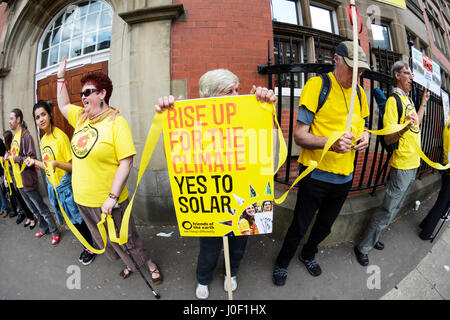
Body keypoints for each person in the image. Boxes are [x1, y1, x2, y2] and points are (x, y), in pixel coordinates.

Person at [155, 68, 277, 299]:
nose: (237, 94)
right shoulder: (194, 123)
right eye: (229, 91)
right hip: (211, 203)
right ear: (210, 96)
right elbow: (175, 157)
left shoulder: (247, 116)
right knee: (209, 250)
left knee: (239, 246)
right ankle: (203, 279)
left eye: (237, 89)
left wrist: (265, 112)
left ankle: (230, 274)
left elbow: (267, 148)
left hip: (242, 201)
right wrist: (171, 122)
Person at [272, 41, 371, 285]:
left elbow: (364, 125)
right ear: (336, 60)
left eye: (361, 71)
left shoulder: (359, 93)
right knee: (300, 224)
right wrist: (331, 143)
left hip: (345, 176)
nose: (357, 76)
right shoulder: (318, 86)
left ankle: (308, 254)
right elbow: (299, 135)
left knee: (325, 225)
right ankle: (282, 262)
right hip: (316, 174)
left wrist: (365, 136)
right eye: (352, 69)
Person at [56, 57, 162, 282]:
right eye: (82, 93)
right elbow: (63, 105)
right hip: (83, 200)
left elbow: (127, 162)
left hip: (109, 201)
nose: (83, 97)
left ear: (102, 94)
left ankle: (149, 264)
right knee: (106, 240)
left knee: (126, 238)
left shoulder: (116, 123)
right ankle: (130, 265)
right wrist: (60, 77)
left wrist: (112, 197)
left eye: (88, 92)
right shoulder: (82, 118)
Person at [354, 61, 430, 266]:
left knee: (395, 207)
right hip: (403, 164)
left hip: (414, 163)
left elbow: (416, 122)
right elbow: (388, 139)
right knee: (388, 208)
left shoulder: (408, 101)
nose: (411, 77)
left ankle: (375, 237)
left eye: (411, 74)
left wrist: (422, 102)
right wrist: (404, 129)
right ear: (397, 75)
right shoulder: (393, 101)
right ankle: (363, 247)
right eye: (407, 73)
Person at [26, 100, 96, 265]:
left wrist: (57, 164)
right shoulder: (43, 141)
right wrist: (34, 162)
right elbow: (48, 166)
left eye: (43, 114)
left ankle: (90, 248)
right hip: (54, 187)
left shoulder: (61, 137)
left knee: (77, 218)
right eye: (37, 117)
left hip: (66, 187)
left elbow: (72, 166)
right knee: (72, 219)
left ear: (50, 115)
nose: (41, 119)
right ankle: (89, 244)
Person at [5, 109, 60, 244]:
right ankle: (43, 227)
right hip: (19, 182)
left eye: (12, 118)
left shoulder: (26, 136)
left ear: (18, 120)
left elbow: (31, 158)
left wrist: (14, 158)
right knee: (33, 209)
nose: (9, 121)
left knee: (41, 208)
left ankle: (54, 231)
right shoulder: (14, 138)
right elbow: (15, 159)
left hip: (28, 181)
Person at [418, 118, 450, 240]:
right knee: (441, 205)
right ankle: (426, 233)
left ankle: (425, 224)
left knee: (440, 202)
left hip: (446, 166)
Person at [2, 130, 35, 227]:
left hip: (18, 179)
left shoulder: (13, 150)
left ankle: (32, 218)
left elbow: (19, 161)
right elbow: (6, 168)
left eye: (4, 140)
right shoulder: (7, 151)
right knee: (20, 201)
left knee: (25, 200)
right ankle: (29, 217)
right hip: (12, 179)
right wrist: (5, 178)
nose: (3, 142)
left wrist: (10, 158)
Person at [0, 137, 10, 217]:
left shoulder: (0, 141)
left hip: (2, 169)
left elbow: (3, 154)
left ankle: (5, 208)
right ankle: (1, 207)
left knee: (2, 191)